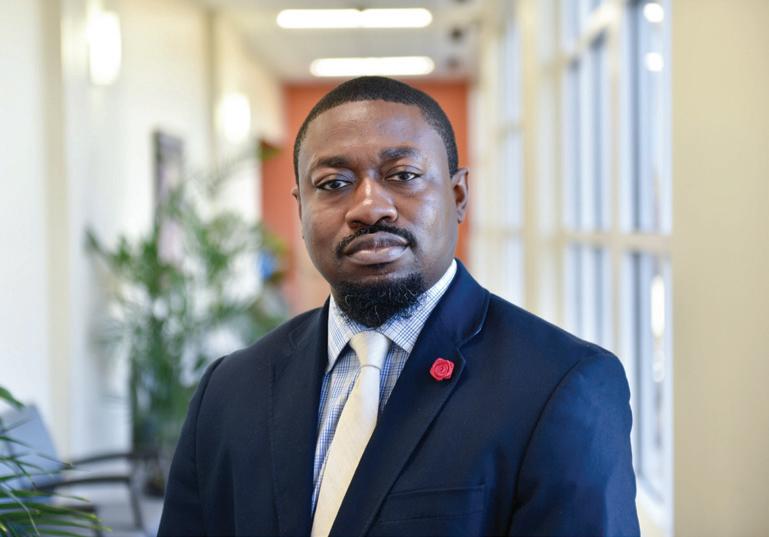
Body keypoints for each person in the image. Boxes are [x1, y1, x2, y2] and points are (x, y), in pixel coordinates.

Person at [158, 76, 640, 537]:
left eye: (403, 175)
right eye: (333, 183)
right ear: (301, 209)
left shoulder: (562, 385)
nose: (370, 207)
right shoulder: (230, 389)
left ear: (458, 196)